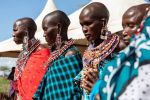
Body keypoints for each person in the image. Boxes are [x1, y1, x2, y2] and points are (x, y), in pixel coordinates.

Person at [90, 4, 150, 100]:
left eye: (131, 26)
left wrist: (97, 89)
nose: (124, 32)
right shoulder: (124, 57)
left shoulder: (142, 59)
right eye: (123, 26)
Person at [73, 2, 121, 100]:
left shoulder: (119, 47)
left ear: (103, 22)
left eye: (88, 23)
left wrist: (97, 85)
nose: (84, 29)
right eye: (82, 25)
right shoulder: (89, 50)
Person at [33, 10, 83, 100]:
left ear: (59, 28)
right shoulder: (56, 54)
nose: (44, 34)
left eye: (45, 29)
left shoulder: (70, 54)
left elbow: (74, 92)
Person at [12, 17, 50, 100]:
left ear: (26, 31)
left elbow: (42, 86)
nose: (13, 34)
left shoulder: (43, 53)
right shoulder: (23, 54)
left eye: (15, 30)